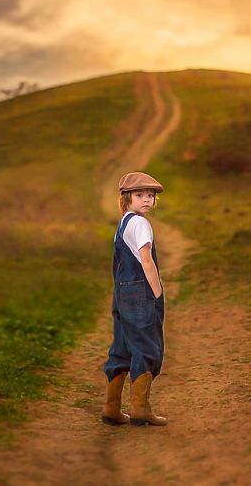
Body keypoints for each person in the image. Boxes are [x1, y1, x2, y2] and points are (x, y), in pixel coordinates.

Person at [101, 171, 168, 427]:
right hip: (140, 293)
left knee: (122, 347)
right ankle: (140, 409)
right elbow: (146, 259)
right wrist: (157, 292)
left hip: (122, 292)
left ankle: (112, 407)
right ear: (126, 198)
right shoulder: (140, 224)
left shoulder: (124, 224)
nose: (147, 200)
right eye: (140, 195)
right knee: (147, 346)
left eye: (150, 196)